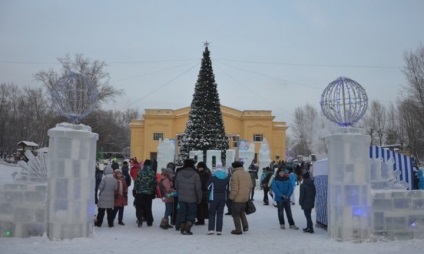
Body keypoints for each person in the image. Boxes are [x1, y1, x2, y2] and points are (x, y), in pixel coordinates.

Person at [175, 159, 202, 235]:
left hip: (181, 198)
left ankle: (182, 226)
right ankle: (188, 227)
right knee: (191, 213)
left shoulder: (179, 173)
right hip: (192, 198)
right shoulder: (195, 175)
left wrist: (180, 192)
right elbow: (198, 188)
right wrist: (199, 197)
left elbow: (176, 185)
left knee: (182, 212)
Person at [228, 161, 252, 235]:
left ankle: (238, 230)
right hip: (245, 197)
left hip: (237, 197)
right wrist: (248, 195)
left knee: (236, 214)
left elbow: (235, 188)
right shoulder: (247, 173)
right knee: (242, 212)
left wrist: (231, 197)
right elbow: (250, 186)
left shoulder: (235, 174)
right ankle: (245, 225)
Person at [206, 162, 229, 235]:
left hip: (213, 197)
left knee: (212, 213)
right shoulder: (226, 177)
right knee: (220, 214)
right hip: (222, 197)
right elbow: (228, 188)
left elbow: (207, 186)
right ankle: (219, 230)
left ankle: (211, 229)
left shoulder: (213, 177)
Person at [133, 159, 157, 227]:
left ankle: (140, 219)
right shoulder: (152, 172)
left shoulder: (140, 172)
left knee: (139, 206)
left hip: (140, 192)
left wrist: (135, 190)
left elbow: (136, 181)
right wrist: (153, 191)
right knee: (148, 207)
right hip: (149, 193)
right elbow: (154, 183)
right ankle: (149, 221)